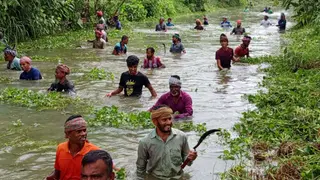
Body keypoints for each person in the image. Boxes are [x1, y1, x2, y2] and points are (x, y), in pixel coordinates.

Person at [136, 105, 197, 179]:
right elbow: (140, 169)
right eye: (164, 120)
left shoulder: (181, 137)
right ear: (155, 122)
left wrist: (191, 158)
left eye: (169, 119)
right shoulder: (145, 142)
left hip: (177, 177)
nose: (168, 122)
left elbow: (188, 163)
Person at [46, 115, 100, 180]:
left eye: (84, 130)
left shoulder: (94, 151)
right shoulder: (61, 148)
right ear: (67, 134)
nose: (83, 134)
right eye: (79, 131)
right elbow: (57, 172)